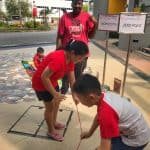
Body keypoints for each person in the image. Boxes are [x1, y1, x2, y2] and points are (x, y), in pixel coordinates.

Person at [72, 74, 150, 150]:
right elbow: (98, 116)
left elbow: (105, 148)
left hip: (137, 140)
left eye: (79, 98)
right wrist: (90, 133)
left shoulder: (106, 114)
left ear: (91, 97)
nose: (79, 101)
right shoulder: (104, 96)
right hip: (136, 131)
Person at [32, 40, 89, 141]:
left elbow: (72, 79)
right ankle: (50, 130)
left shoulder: (71, 60)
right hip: (41, 83)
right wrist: (54, 93)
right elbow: (44, 77)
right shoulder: (58, 59)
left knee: (57, 102)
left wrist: (75, 95)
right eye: (80, 57)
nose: (80, 60)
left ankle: (53, 122)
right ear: (72, 53)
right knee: (50, 107)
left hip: (52, 81)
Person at [56, 0, 97, 94]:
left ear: (82, 4)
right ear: (71, 4)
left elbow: (90, 36)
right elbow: (59, 36)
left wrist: (95, 25)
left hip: (81, 55)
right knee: (65, 77)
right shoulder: (64, 17)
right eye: (75, 3)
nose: (77, 5)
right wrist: (58, 52)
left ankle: (76, 94)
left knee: (78, 76)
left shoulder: (86, 16)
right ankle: (63, 93)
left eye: (79, 3)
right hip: (67, 54)